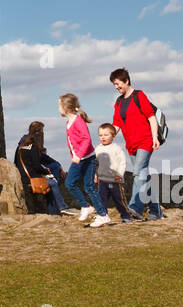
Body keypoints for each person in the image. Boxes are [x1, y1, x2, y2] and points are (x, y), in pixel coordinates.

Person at [111, 68, 164, 220]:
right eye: (114, 85)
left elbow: (151, 117)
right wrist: (107, 138)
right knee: (144, 176)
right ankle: (156, 211)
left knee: (138, 172)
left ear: (126, 81)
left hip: (145, 140)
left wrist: (155, 137)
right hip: (131, 144)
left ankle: (135, 208)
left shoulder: (139, 95)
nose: (116, 87)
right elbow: (117, 124)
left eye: (118, 83)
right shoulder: (119, 101)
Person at [59, 93, 111, 227]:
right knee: (84, 186)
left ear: (66, 108)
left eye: (59, 105)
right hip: (80, 158)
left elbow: (86, 139)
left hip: (85, 158)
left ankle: (97, 212)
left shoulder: (78, 121)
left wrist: (78, 155)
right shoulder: (68, 122)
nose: (58, 108)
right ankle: (98, 212)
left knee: (72, 183)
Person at [15, 122, 72, 215]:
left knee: (51, 180)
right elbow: (37, 166)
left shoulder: (22, 146)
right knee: (53, 183)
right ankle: (62, 207)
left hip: (23, 175)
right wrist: (46, 171)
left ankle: (54, 212)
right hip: (31, 178)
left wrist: (56, 165)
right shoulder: (33, 147)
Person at [93, 123, 133, 223]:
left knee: (119, 200)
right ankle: (103, 216)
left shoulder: (116, 148)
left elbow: (122, 162)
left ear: (113, 136)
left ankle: (126, 216)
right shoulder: (98, 149)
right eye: (101, 135)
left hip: (115, 180)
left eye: (106, 135)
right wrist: (95, 175)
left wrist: (119, 175)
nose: (103, 137)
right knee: (102, 199)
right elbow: (95, 164)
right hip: (102, 180)